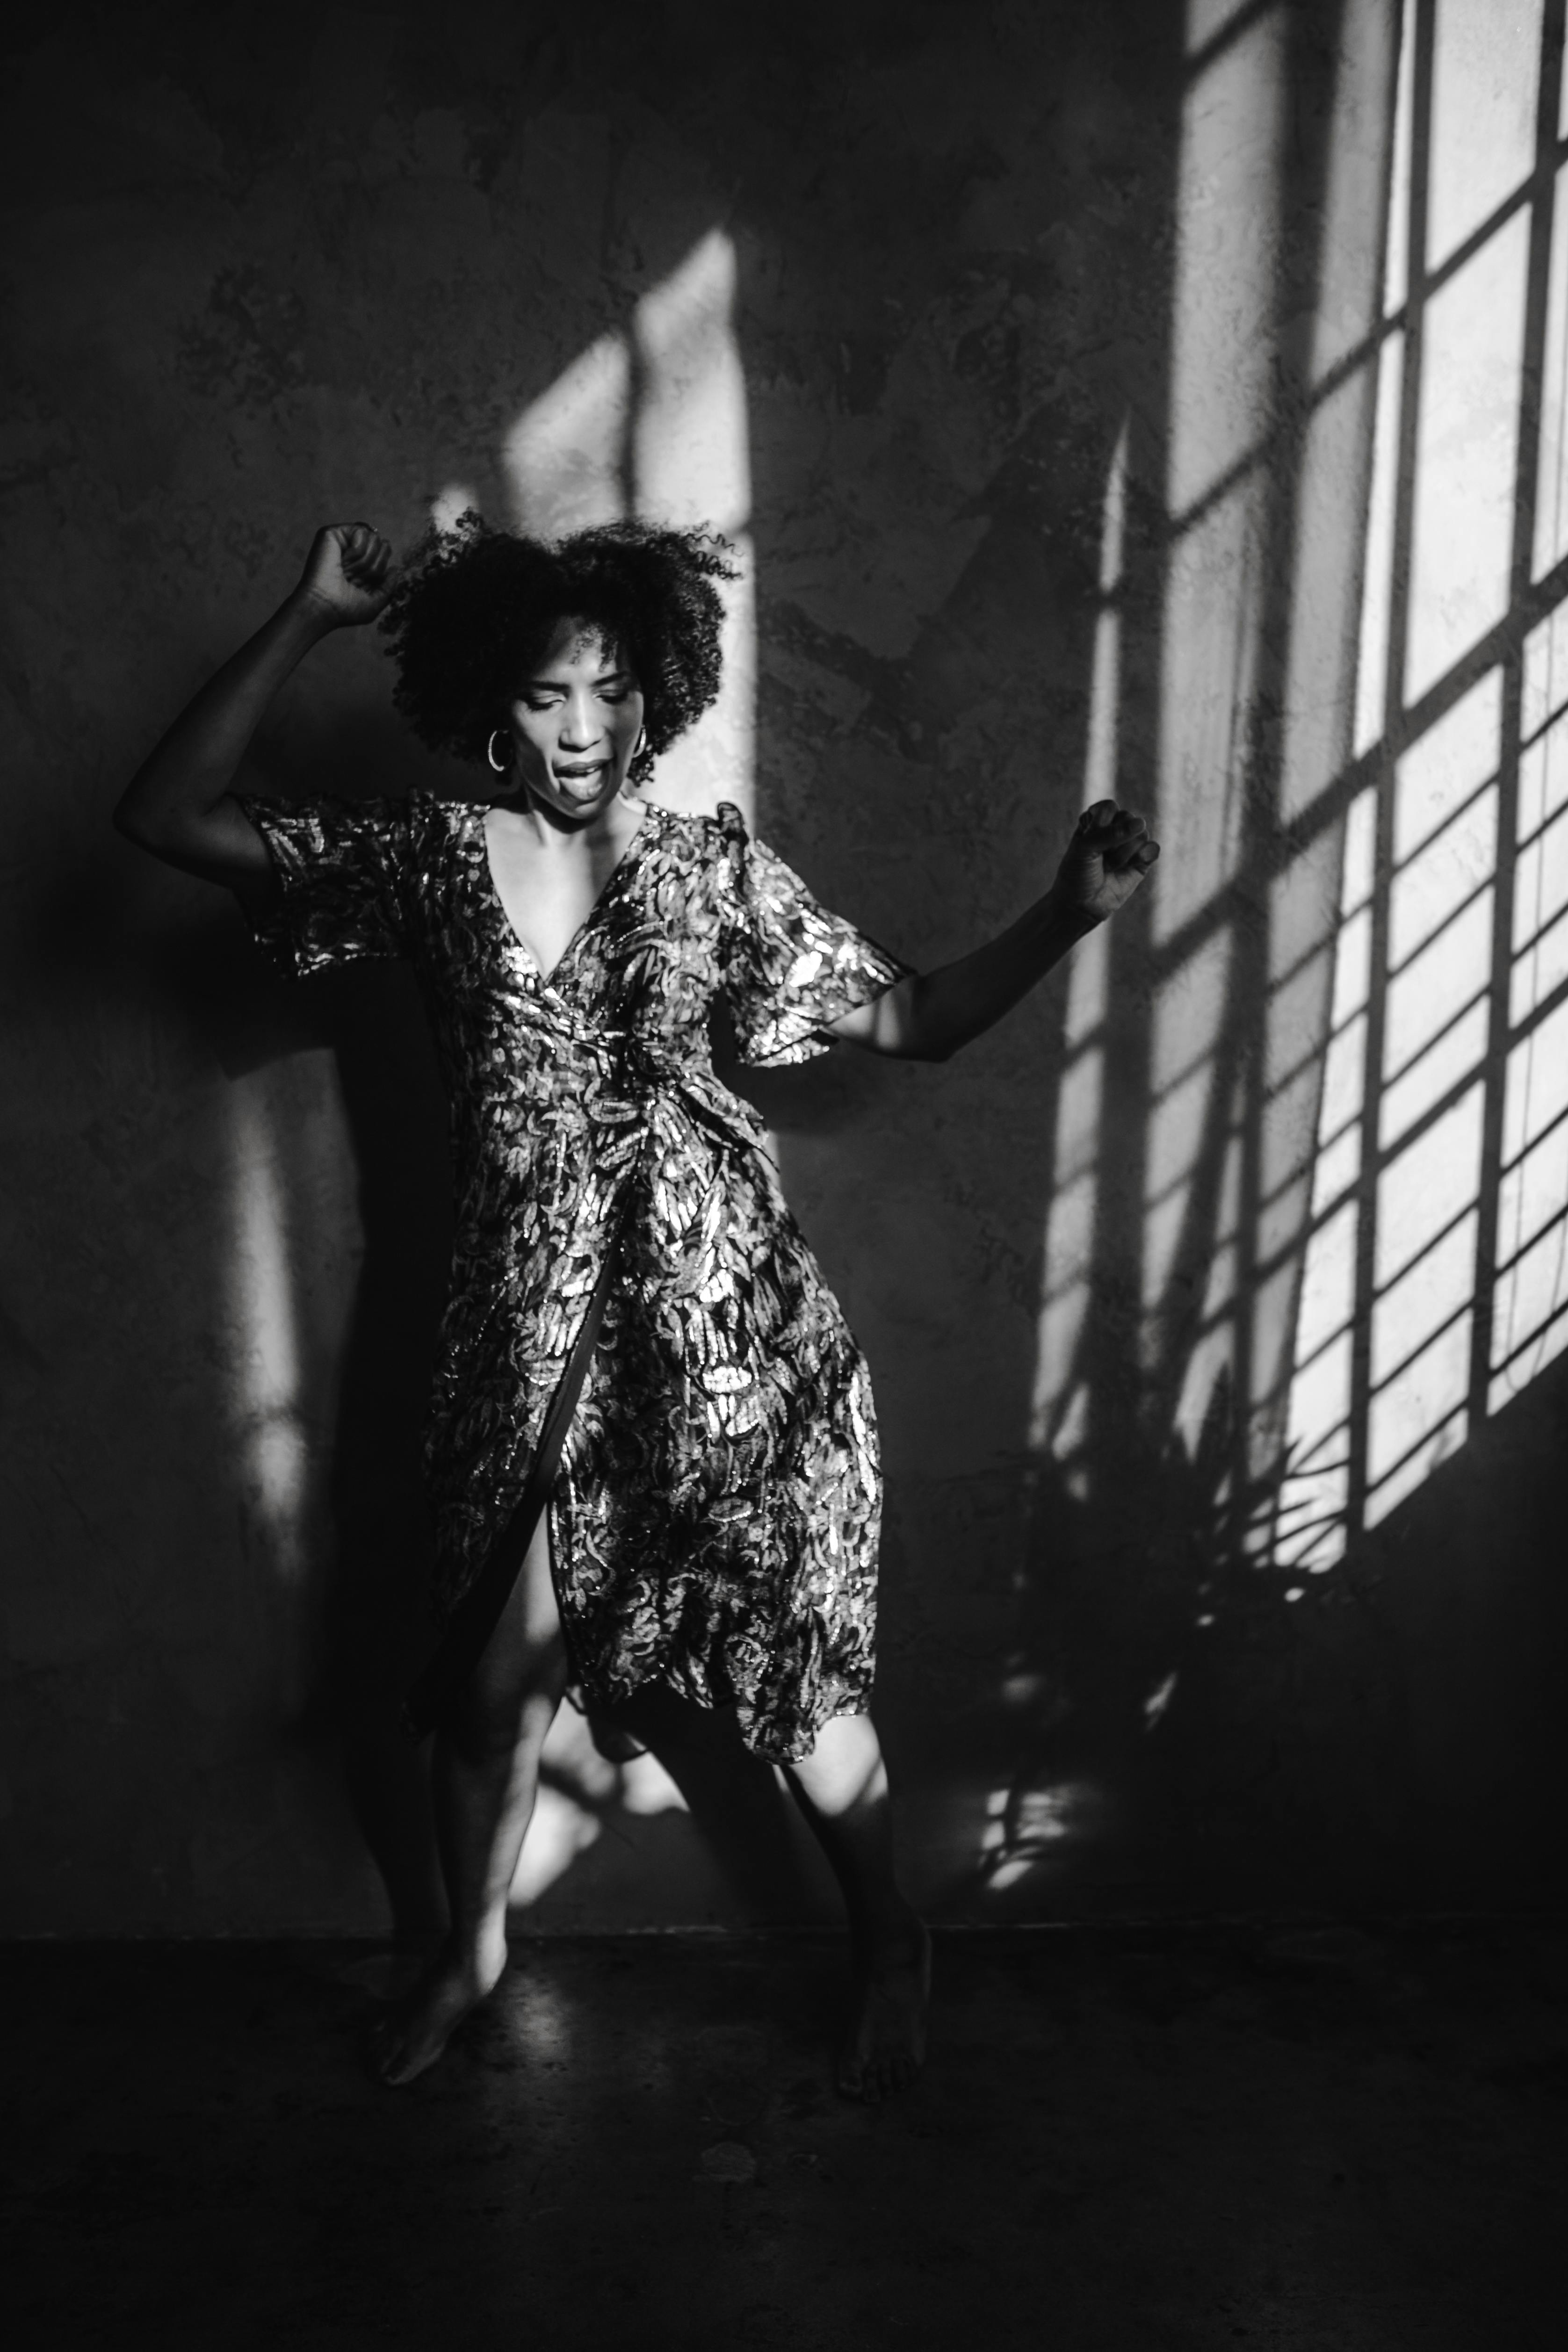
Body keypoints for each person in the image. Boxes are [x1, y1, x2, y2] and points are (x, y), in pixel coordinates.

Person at [116, 516, 1158, 2096]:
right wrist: (311, 613)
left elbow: (915, 1020)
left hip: (725, 1337)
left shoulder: (706, 871)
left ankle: (890, 1935)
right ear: (492, 703)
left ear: (653, 696)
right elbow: (167, 816)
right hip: (521, 1335)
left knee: (793, 1689)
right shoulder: (425, 858)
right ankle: (465, 1959)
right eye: (546, 697)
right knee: (485, 1688)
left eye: (610, 691)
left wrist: (1067, 911)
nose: (583, 729)